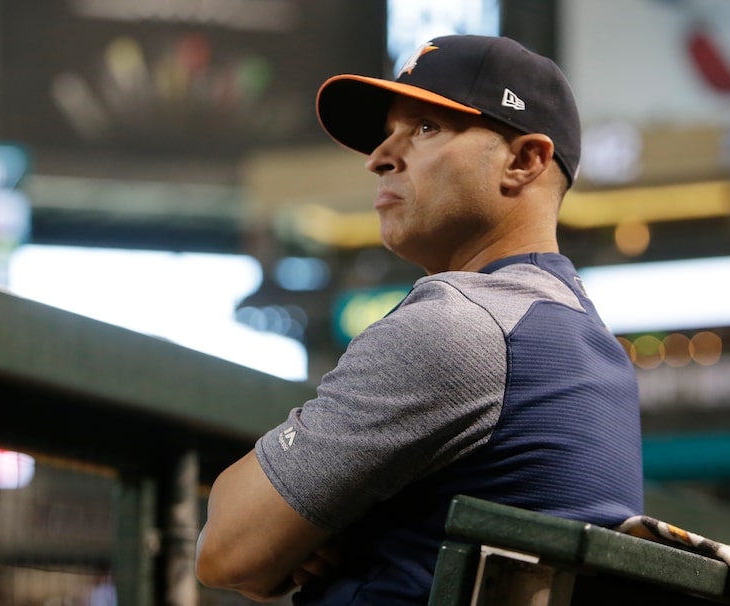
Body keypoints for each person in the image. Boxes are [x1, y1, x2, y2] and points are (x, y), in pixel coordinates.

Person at [195, 34, 644, 605]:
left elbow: (227, 550)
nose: (380, 155)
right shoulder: (585, 340)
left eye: (427, 128)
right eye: (389, 133)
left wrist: (320, 527)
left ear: (525, 160)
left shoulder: (460, 324)